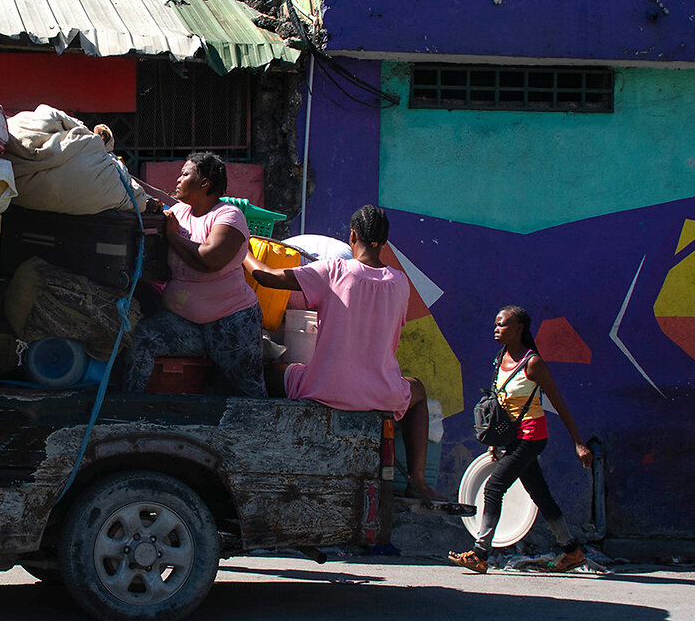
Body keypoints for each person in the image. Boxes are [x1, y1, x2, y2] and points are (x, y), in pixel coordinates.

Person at [244, 205, 444, 501]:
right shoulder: (400, 283)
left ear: (352, 235)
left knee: (268, 372)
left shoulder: (332, 270)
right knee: (419, 390)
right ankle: (417, 481)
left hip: (327, 388)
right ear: (384, 242)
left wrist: (242, 245)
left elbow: (267, 276)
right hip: (381, 393)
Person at [448, 305, 593, 574]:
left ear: (519, 329)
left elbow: (559, 403)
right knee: (540, 494)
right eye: (496, 323)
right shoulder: (500, 358)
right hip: (513, 439)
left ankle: (480, 554)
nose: (496, 328)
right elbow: (501, 404)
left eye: (502, 324)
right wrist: (496, 439)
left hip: (532, 437)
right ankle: (572, 551)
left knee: (493, 488)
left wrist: (578, 442)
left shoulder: (533, 363)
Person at [124, 152, 265, 397]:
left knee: (246, 392)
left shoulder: (228, 216)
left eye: (185, 174)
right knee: (143, 338)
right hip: (183, 322)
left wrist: (173, 237)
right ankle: (129, 410)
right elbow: (150, 194)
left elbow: (209, 260)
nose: (178, 180)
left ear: (204, 182)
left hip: (232, 323)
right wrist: (121, 172)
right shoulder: (178, 214)